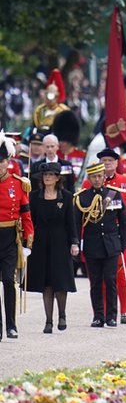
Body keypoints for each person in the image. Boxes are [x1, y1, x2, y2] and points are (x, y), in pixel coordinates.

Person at [81, 149, 126, 325]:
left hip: (114, 238)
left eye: (110, 160)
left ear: (116, 163)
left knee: (119, 278)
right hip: (94, 240)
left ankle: (122, 311)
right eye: (103, 160)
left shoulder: (125, 183)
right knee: (96, 281)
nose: (107, 163)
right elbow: (83, 216)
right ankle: (99, 314)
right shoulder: (87, 185)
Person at [75, 162, 126, 327]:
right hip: (92, 245)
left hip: (111, 244)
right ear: (89, 178)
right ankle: (98, 315)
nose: (97, 180)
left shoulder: (114, 195)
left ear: (104, 177)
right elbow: (76, 224)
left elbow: (124, 221)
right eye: (93, 177)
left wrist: (123, 243)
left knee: (111, 280)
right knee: (95, 282)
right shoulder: (82, 197)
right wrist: (76, 242)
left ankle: (112, 316)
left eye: (99, 176)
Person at [27, 162, 79, 333]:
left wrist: (74, 242)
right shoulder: (34, 196)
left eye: (51, 175)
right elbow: (30, 220)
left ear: (57, 178)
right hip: (41, 242)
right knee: (46, 281)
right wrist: (28, 240)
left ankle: (62, 314)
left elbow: (71, 222)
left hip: (60, 242)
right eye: (45, 175)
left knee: (60, 281)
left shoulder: (66, 196)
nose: (47, 177)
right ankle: (48, 320)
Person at [0, 139, 34, 339]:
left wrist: (28, 241)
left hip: (10, 239)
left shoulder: (18, 184)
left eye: (2, 161)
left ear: (8, 162)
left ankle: (11, 325)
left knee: (8, 280)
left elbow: (26, 215)